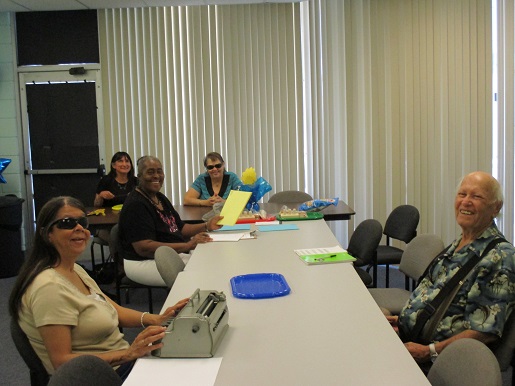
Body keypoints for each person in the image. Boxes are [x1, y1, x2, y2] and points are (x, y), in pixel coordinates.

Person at [8, 196, 189, 380]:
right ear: (47, 234)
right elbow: (62, 362)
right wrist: (128, 354)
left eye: (82, 222)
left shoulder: (74, 269)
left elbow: (114, 310)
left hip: (123, 360)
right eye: (67, 223)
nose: (79, 228)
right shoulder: (48, 288)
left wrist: (157, 319)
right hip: (102, 377)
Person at [386, 171, 515, 366]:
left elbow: (484, 332)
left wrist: (428, 352)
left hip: (440, 360)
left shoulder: (500, 256)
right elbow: (436, 296)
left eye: (476, 196)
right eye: (462, 194)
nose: (466, 202)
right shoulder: (459, 244)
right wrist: (403, 320)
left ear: (495, 207)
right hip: (412, 341)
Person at [119, 155, 224, 287]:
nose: (156, 176)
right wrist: (187, 246)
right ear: (139, 176)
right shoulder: (136, 204)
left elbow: (180, 228)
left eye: (159, 171)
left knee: (211, 260)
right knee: (201, 272)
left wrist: (207, 225)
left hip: (169, 252)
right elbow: (144, 248)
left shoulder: (159, 197)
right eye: (150, 172)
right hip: (142, 261)